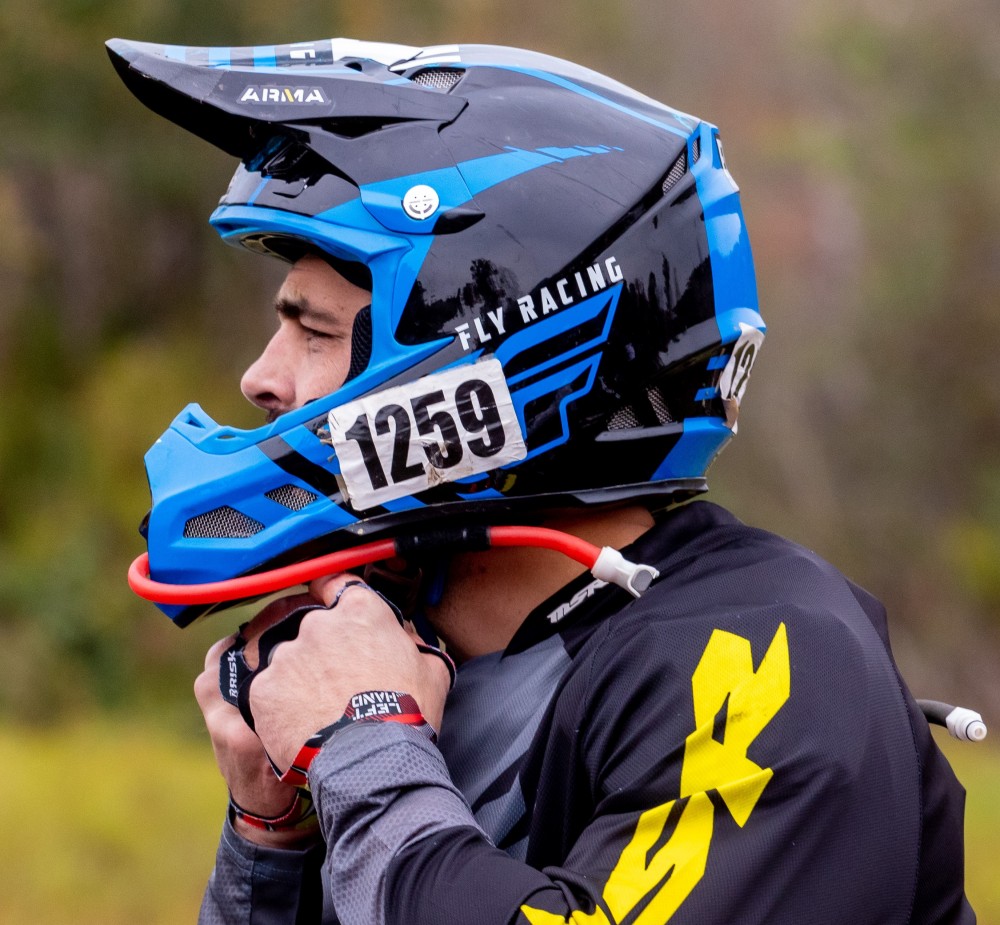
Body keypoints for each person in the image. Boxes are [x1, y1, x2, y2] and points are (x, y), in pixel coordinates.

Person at [109, 37, 975, 924]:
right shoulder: (415, 654)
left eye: (315, 332)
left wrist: (368, 752)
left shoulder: (761, 660)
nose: (261, 377)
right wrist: (273, 840)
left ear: (481, 366)